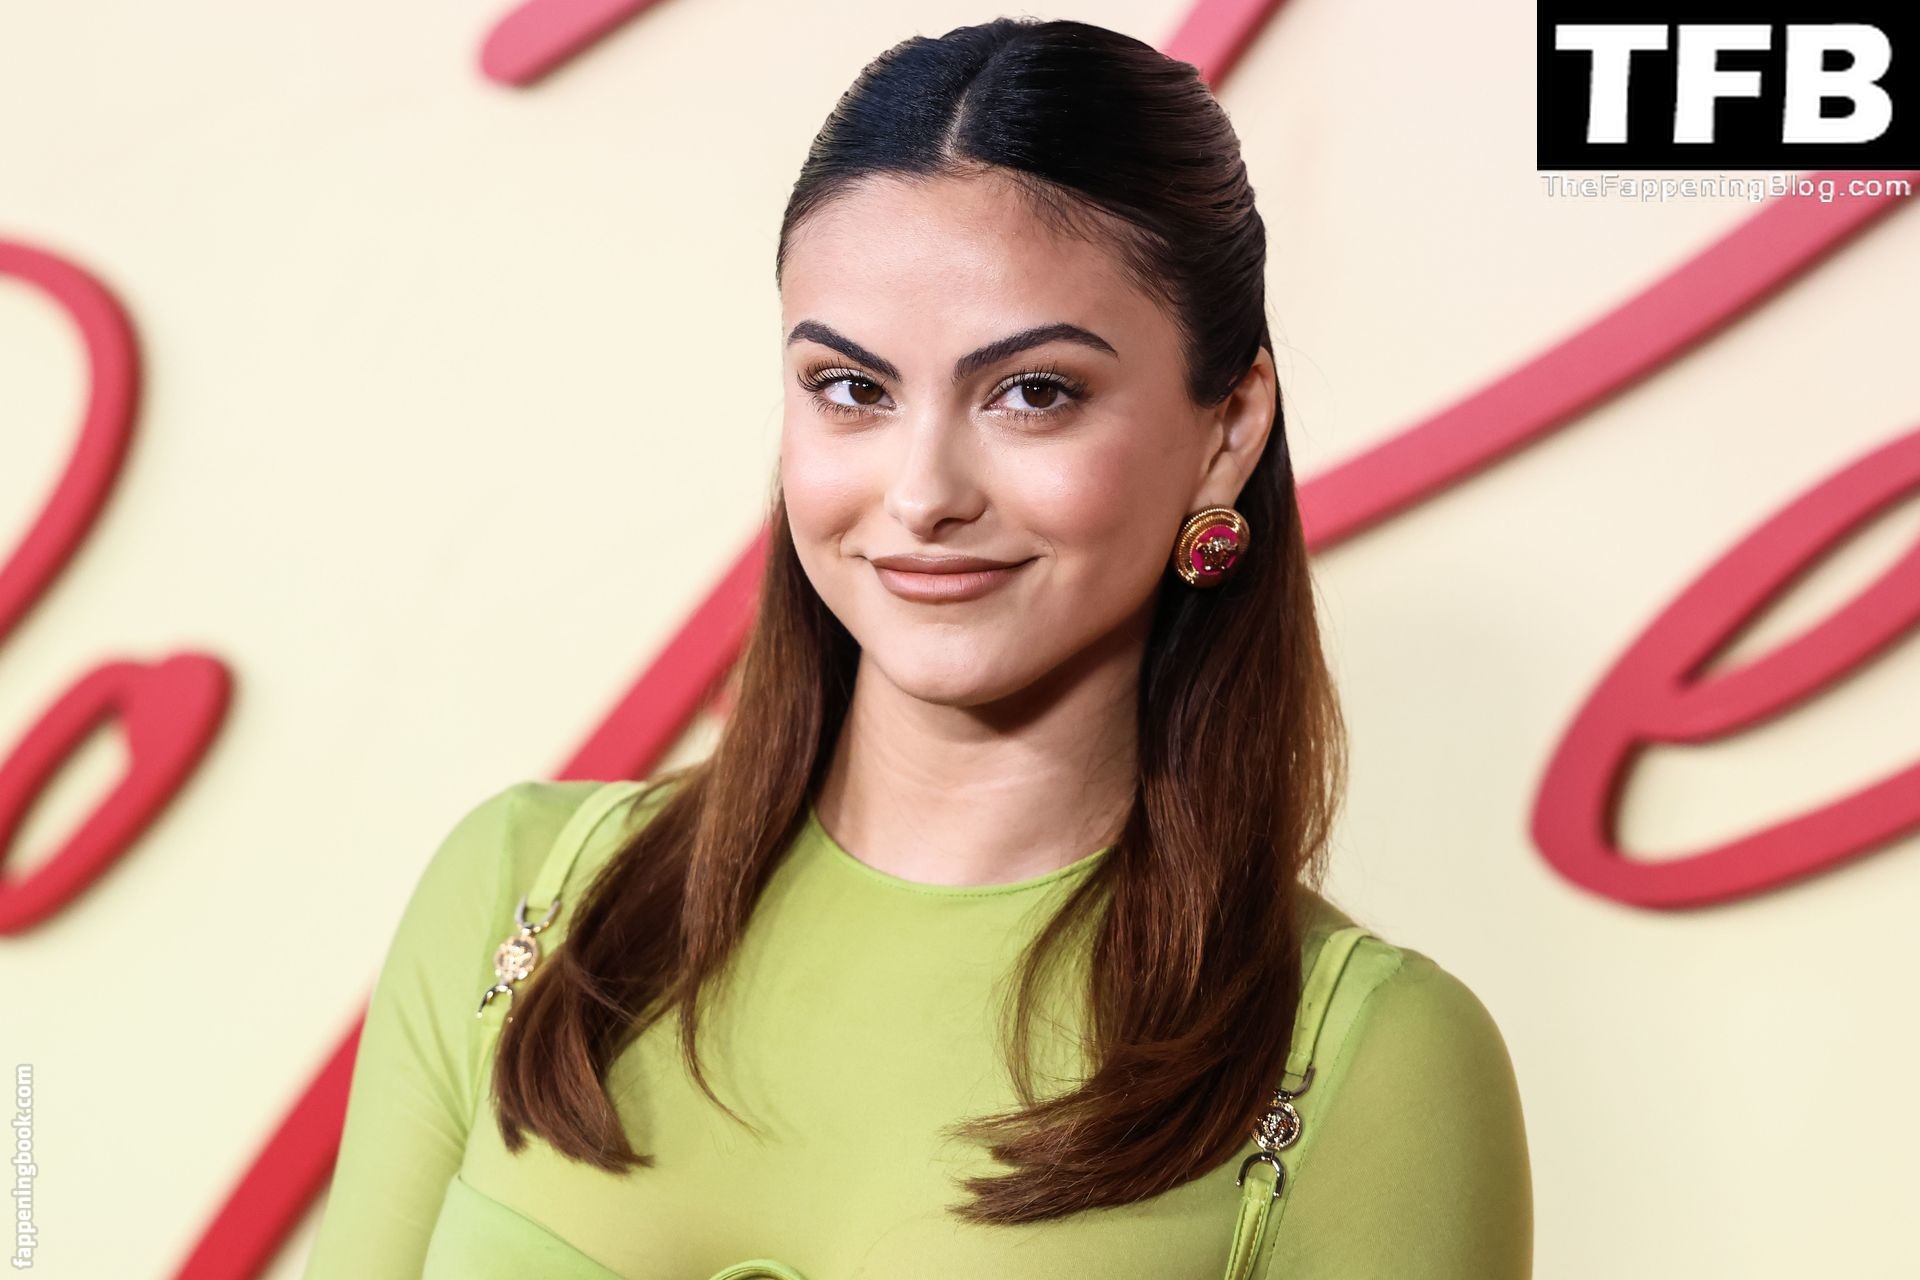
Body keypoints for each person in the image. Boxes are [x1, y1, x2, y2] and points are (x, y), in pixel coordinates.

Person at [304, 16, 1532, 1279]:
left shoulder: (1373, 1063)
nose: (923, 492)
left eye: (1034, 391)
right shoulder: (521, 888)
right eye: (853, 389)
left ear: (1226, 428)